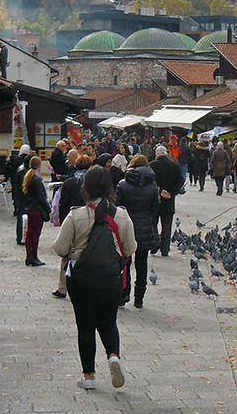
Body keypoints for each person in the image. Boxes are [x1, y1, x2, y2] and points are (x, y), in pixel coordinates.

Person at [53, 166, 136, 391]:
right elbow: (130, 248)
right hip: (110, 278)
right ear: (109, 187)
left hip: (81, 280)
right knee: (108, 321)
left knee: (86, 326)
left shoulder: (76, 215)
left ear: (85, 188)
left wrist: (74, 250)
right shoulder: (121, 215)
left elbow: (59, 248)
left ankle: (88, 376)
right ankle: (113, 356)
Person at [115, 154, 159, 308]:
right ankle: (139, 298)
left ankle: (123, 293)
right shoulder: (152, 186)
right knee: (142, 263)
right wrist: (152, 226)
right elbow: (155, 210)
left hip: (126, 227)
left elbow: (117, 208)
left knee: (125, 261)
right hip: (145, 227)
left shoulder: (122, 184)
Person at [53, 151, 90, 299]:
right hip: (88, 220)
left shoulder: (69, 182)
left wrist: (63, 221)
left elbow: (63, 204)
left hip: (71, 219)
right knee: (85, 253)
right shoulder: (90, 183)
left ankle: (62, 288)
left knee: (67, 254)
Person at [151, 145, 184, 256]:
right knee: (167, 225)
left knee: (153, 223)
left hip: (154, 199)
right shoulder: (175, 166)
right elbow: (181, 180)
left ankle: (155, 243)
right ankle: (165, 249)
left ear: (157, 154)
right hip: (169, 200)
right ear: (166, 153)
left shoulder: (152, 165)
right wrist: (171, 192)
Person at [22, 155, 49, 266]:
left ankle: (29, 255)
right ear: (39, 166)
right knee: (35, 234)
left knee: (29, 233)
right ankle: (34, 256)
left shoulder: (29, 177)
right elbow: (41, 197)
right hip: (37, 209)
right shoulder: (37, 179)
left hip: (30, 208)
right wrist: (48, 209)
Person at [6, 144, 32, 246]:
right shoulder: (26, 166)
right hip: (25, 193)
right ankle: (24, 236)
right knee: (25, 215)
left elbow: (11, 170)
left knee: (20, 214)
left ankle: (15, 209)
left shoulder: (16, 160)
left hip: (16, 187)